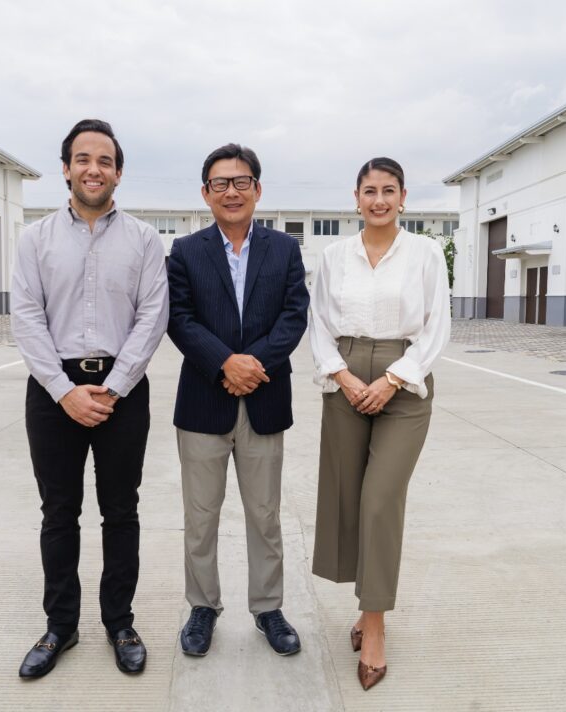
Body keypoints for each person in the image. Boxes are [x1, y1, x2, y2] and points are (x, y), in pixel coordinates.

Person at [11, 119, 168, 679]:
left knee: (121, 511)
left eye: (104, 161)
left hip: (123, 390)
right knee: (59, 513)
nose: (93, 169)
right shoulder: (35, 239)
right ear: (66, 169)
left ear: (119, 172)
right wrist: (63, 391)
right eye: (83, 159)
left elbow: (153, 316)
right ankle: (60, 626)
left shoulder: (144, 240)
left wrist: (115, 386)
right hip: (53, 392)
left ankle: (119, 622)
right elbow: (26, 317)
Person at [309, 157, 451, 690]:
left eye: (389, 191)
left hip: (404, 382)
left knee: (379, 501)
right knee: (349, 500)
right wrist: (344, 377)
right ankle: (365, 607)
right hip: (345, 377)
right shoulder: (334, 256)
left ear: (403, 197)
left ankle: (374, 627)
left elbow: (437, 326)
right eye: (370, 191)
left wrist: (392, 380)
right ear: (356, 198)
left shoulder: (425, 253)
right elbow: (319, 323)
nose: (379, 200)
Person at [166, 143, 309, 658]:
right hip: (203, 402)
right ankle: (203, 606)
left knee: (265, 515)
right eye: (221, 183)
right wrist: (225, 362)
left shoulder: (284, 249)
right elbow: (178, 318)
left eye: (241, 181)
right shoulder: (185, 251)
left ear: (257, 189)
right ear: (206, 193)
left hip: (264, 401)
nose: (232, 191)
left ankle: (268, 608)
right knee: (201, 517)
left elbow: (294, 315)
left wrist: (252, 366)